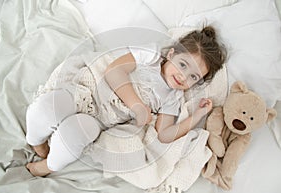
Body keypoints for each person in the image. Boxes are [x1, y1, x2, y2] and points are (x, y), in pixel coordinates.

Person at [25, 26, 226, 177]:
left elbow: (165, 134)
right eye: (183, 65)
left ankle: (48, 166)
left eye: (193, 77)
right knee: (45, 109)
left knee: (74, 135)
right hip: (85, 93)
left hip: (100, 121)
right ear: (171, 54)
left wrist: (197, 115)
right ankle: (36, 141)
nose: (183, 76)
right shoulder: (152, 57)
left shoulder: (172, 99)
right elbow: (113, 71)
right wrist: (137, 105)